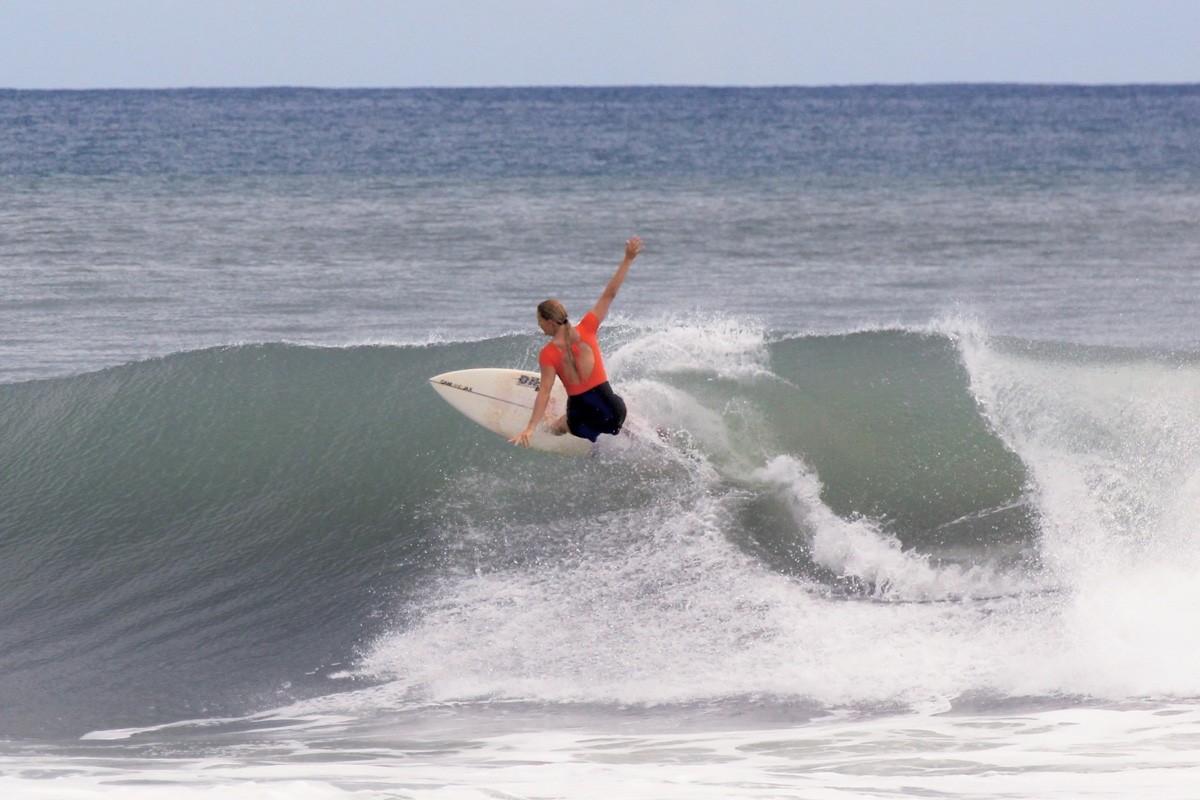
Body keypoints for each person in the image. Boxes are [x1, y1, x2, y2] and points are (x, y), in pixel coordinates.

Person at [509, 236, 644, 448]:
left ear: (551, 322)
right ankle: (641, 433)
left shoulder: (548, 354)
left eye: (539, 321)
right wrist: (628, 259)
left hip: (582, 421)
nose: (538, 325)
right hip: (613, 413)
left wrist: (530, 428)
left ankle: (552, 421)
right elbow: (610, 293)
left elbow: (543, 393)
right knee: (621, 411)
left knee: (557, 427)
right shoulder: (588, 328)